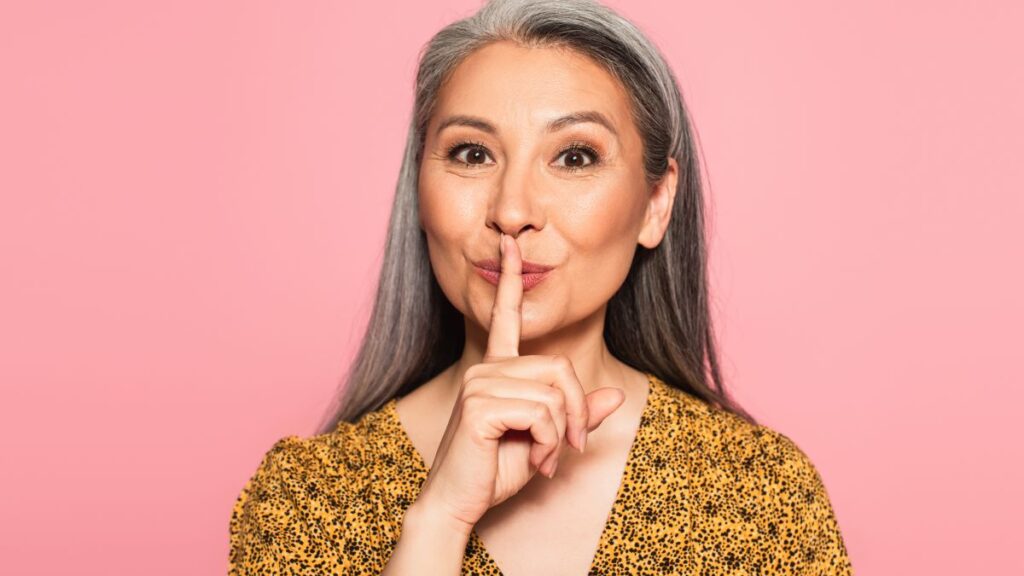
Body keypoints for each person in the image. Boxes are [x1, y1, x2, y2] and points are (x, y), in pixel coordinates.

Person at [228, 0, 853, 574]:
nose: (513, 209)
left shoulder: (759, 494)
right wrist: (437, 522)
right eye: (472, 154)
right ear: (418, 189)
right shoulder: (307, 497)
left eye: (575, 156)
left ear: (656, 202)